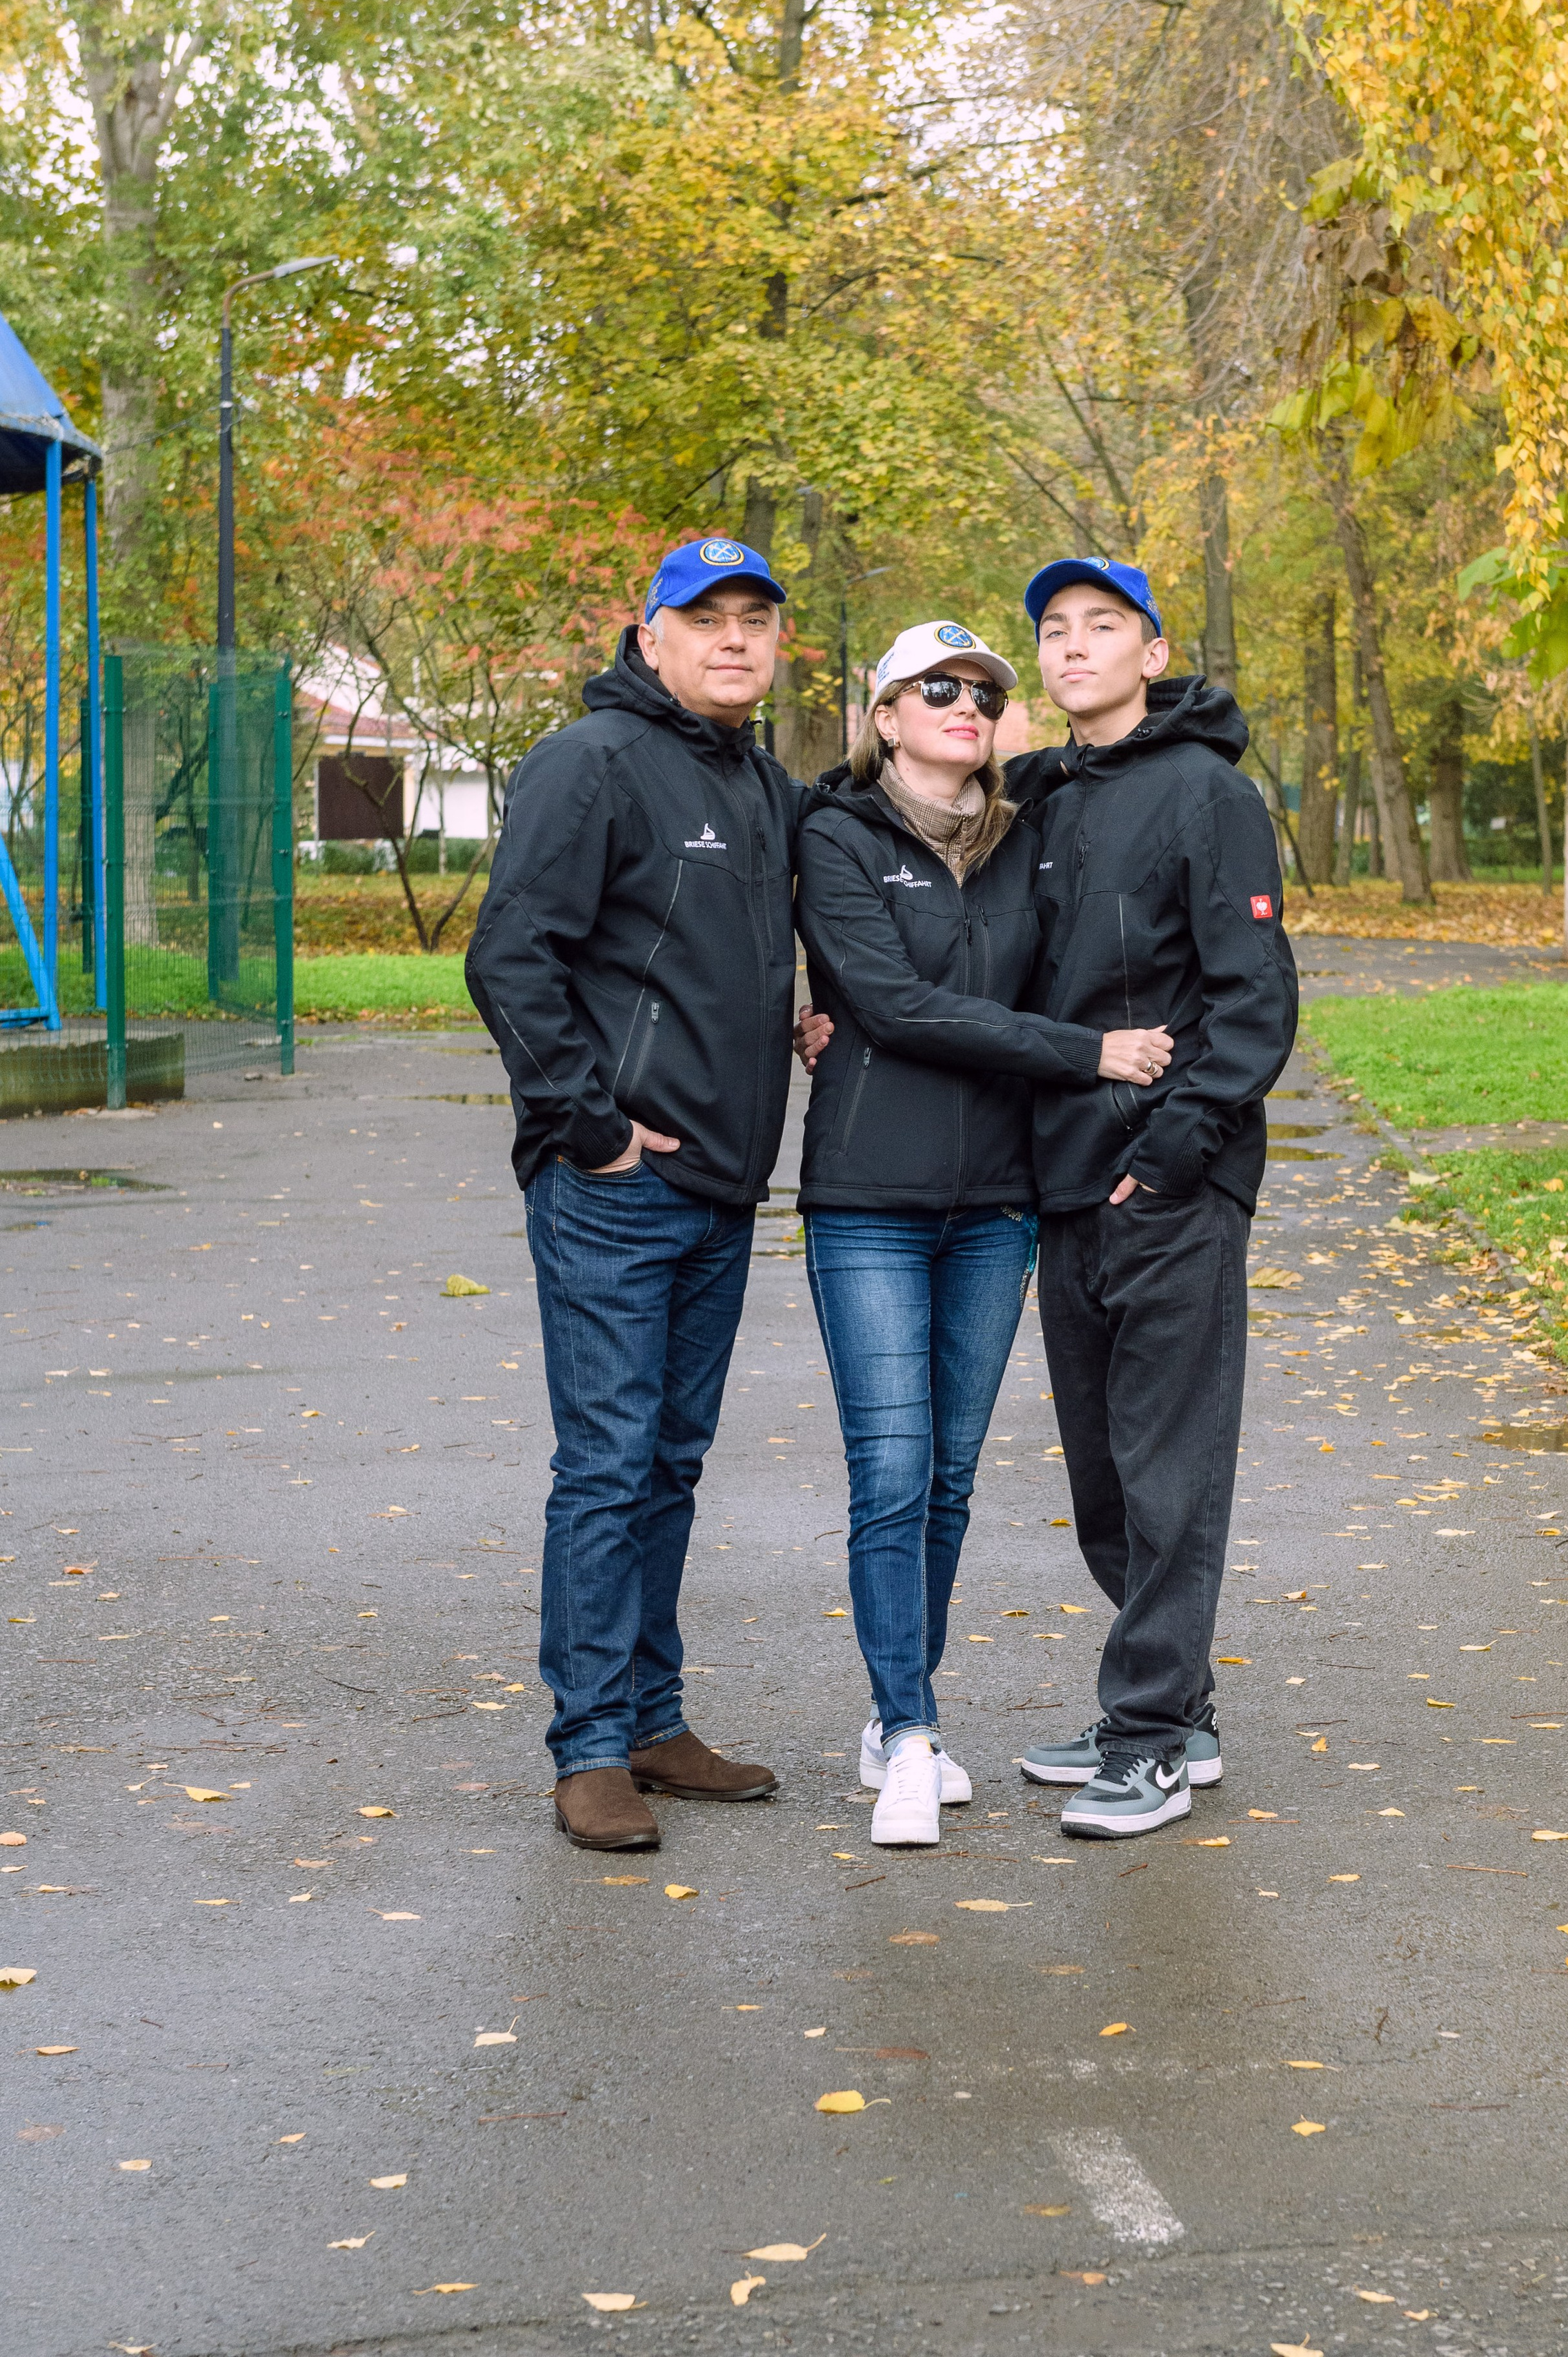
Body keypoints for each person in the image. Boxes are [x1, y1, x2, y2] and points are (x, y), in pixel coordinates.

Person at [794, 620, 1175, 1848]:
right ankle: (909, 1736)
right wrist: (1085, 1055)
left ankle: (895, 1711)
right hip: (870, 1200)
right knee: (891, 1471)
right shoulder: (834, 834)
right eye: (935, 688)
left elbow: (1079, 930)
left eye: (985, 692)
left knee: (949, 1480)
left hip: (998, 1203)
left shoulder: (1028, 837)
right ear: (886, 711)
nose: (965, 704)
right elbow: (894, 1006)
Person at [466, 534, 805, 1855]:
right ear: (649, 636)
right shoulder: (587, 762)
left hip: (723, 1184)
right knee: (606, 1465)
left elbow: (732, 953)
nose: (732, 640)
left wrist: (807, 1013)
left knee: (670, 1460)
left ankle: (654, 1719)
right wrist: (587, 1126)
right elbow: (513, 956)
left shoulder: (763, 782)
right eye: (704, 618)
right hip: (617, 1186)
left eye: (754, 620)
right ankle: (590, 1747)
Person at [1005, 558, 1298, 1840]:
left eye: (1101, 628)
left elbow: (1254, 1002)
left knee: (1171, 1468)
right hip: (1060, 1178)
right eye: (1055, 632)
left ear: (1153, 652)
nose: (1075, 648)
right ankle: (1176, 1711)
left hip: (1169, 1182)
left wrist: (1176, 1151)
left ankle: (1146, 1740)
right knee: (1108, 1479)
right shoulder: (1038, 797)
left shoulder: (1208, 797)